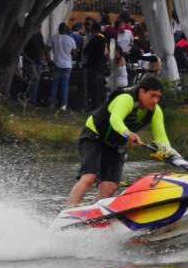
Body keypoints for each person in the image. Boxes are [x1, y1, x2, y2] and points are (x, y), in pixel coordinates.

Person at [67, 74, 175, 205]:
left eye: (158, 97)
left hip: (115, 144)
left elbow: (161, 138)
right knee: (89, 177)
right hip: (94, 136)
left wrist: (168, 152)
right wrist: (127, 133)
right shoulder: (126, 99)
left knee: (110, 187)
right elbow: (115, 120)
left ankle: (96, 217)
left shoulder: (156, 111)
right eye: (152, 95)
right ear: (141, 92)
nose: (155, 100)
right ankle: (69, 211)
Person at [47, 22, 77, 112]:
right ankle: (63, 104)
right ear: (67, 30)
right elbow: (75, 52)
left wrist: (49, 61)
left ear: (59, 29)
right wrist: (70, 55)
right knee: (65, 84)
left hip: (56, 64)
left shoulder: (54, 38)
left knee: (55, 84)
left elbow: (46, 50)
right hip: (67, 65)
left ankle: (52, 103)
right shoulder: (71, 40)